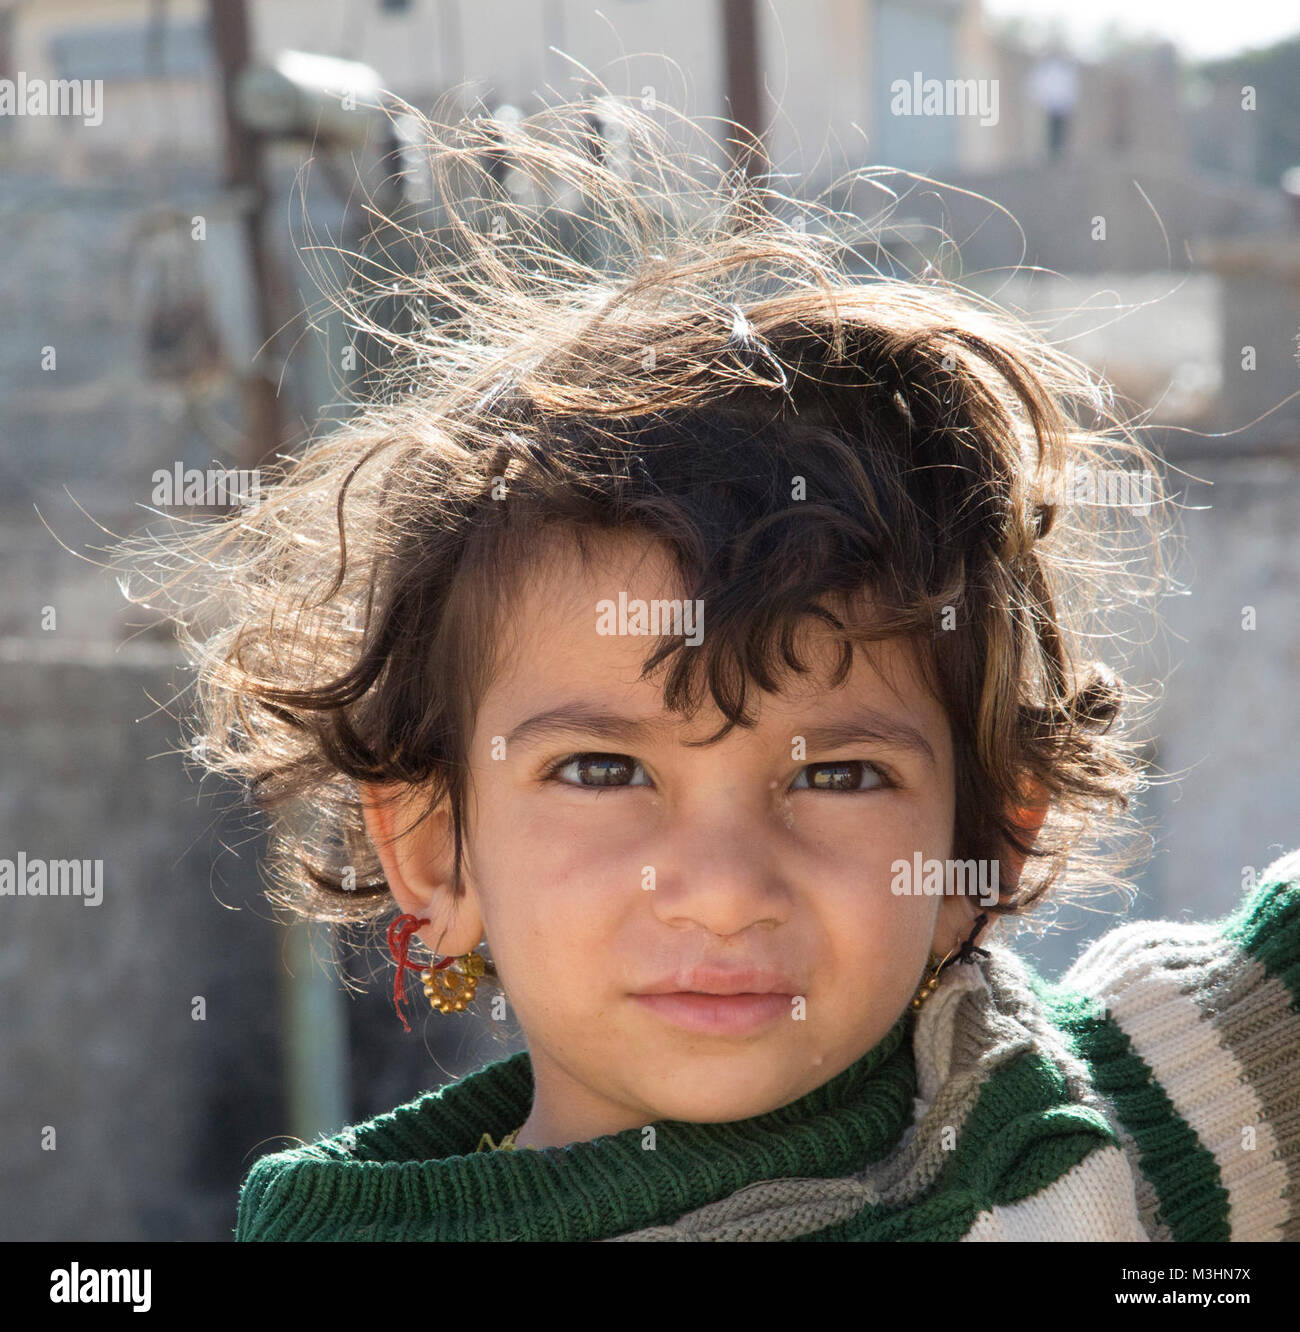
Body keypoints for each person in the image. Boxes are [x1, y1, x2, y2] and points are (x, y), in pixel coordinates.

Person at [120, 90, 1299, 1241]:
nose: (725, 888)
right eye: (599, 770)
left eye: (836, 777)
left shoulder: (1107, 1135)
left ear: (982, 845)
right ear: (435, 848)